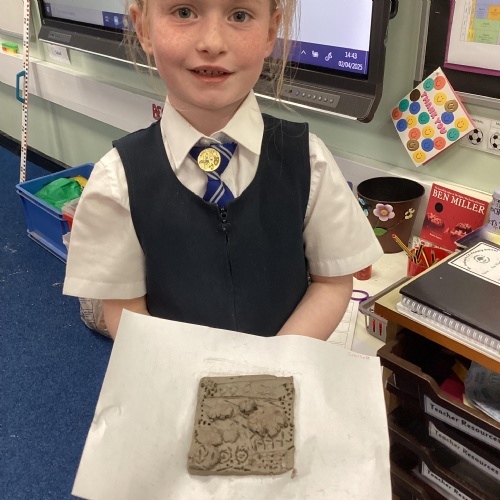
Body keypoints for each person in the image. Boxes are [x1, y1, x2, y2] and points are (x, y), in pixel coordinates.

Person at [63, 0, 383, 340]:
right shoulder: (117, 182)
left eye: (239, 15)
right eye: (184, 12)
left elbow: (332, 282)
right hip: (171, 367)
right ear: (143, 28)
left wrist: (273, 363)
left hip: (283, 368)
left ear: (270, 32)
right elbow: (124, 308)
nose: (212, 43)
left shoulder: (309, 161)